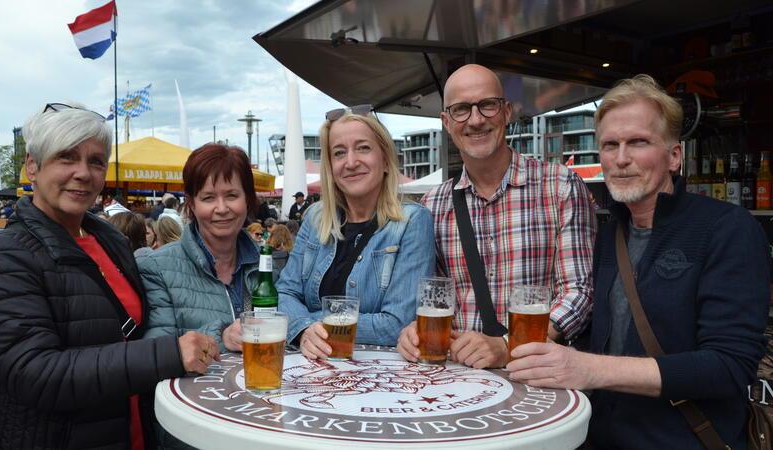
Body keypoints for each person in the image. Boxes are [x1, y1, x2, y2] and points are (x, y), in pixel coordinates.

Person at [506, 75, 770, 449]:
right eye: (610, 145)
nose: (621, 158)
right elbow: (607, 335)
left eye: (638, 142)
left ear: (674, 156)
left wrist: (587, 368)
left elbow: (729, 367)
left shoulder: (727, 229)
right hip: (596, 436)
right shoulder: (612, 231)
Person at [0, 102, 218, 449]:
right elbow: (36, 373)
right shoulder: (2, 255)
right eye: (66, 157)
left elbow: (135, 331)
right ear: (32, 166)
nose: (84, 173)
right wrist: (169, 355)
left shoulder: (110, 240)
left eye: (96, 161)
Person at [396, 64, 596, 369]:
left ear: (506, 111)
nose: (476, 120)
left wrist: (509, 346)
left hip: (537, 379)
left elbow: (579, 293)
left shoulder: (560, 186)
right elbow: (431, 297)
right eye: (462, 109)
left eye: (487, 105)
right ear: (447, 122)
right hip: (459, 380)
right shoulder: (433, 205)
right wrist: (412, 332)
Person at [277, 107, 435, 357]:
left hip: (380, 379)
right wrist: (304, 329)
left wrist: (311, 321)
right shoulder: (316, 218)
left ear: (385, 160)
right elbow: (285, 292)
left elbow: (397, 324)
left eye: (363, 148)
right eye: (339, 153)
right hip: (313, 376)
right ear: (331, 167)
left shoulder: (412, 221)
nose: (351, 162)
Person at [139, 143, 262, 354]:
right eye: (208, 198)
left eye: (232, 195)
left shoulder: (265, 266)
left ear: (247, 200)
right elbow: (156, 353)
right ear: (192, 205)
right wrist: (221, 337)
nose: (222, 208)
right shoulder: (157, 268)